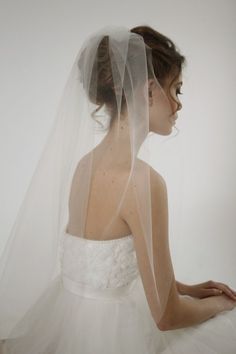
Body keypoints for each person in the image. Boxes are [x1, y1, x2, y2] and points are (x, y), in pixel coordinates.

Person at [0, 25, 236, 354]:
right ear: (149, 90)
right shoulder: (143, 183)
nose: (178, 105)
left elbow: (101, 268)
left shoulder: (86, 165)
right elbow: (167, 317)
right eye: (176, 90)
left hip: (71, 325)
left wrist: (189, 289)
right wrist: (222, 307)